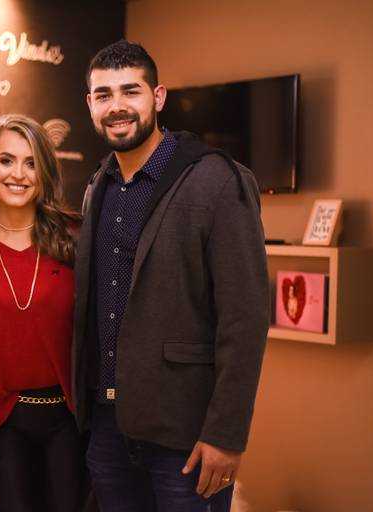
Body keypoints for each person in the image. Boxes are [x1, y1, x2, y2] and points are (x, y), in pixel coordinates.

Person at [72, 40, 269, 511]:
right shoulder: (98, 185)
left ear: (158, 97)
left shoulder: (216, 180)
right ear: (90, 105)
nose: (117, 106)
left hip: (186, 436)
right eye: (104, 95)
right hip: (108, 428)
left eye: (131, 91)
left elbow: (245, 318)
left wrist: (226, 434)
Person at [0, 114, 84, 512]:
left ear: (45, 172)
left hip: (69, 423)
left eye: (31, 163)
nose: (18, 174)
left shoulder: (77, 237)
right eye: (6, 160)